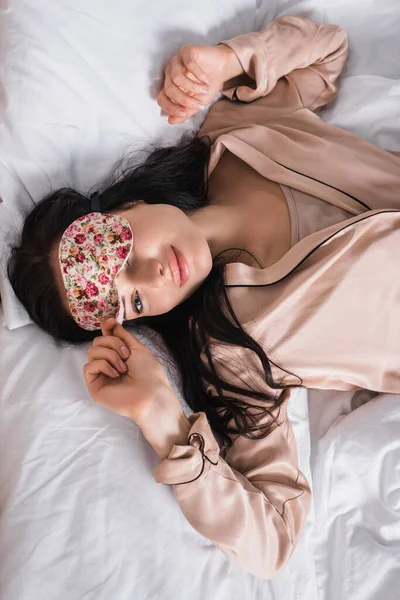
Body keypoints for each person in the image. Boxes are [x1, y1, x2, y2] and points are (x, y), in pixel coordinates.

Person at [7, 15, 400, 579]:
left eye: (121, 254)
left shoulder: (236, 133)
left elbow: (325, 52)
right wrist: (163, 421)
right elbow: (276, 538)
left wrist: (231, 59)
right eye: (134, 304)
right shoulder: (233, 351)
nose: (152, 278)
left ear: (123, 208)